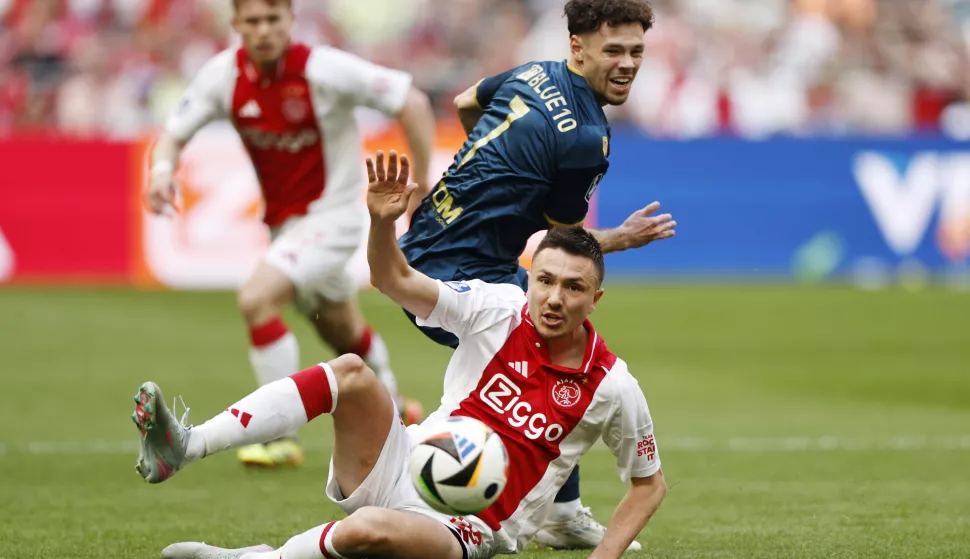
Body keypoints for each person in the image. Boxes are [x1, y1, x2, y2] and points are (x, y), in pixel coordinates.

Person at [132, 151, 667, 559]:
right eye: (545, 280)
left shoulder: (610, 383)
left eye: (573, 288)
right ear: (529, 279)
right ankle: (185, 445)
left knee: (368, 531)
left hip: (466, 526)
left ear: (594, 299)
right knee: (351, 373)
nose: (554, 297)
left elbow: (649, 485)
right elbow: (392, 279)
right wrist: (383, 223)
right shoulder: (498, 307)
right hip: (404, 460)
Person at [397, 0, 673, 548]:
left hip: (426, 237)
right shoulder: (585, 141)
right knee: (554, 353)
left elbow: (465, 103)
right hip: (456, 271)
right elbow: (564, 249)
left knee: (552, 352)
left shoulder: (532, 73)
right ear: (578, 46)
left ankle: (561, 511)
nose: (627, 63)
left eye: (636, 51)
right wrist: (624, 237)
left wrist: (492, 165)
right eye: (613, 50)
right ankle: (443, 472)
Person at [144, 0, 435, 468]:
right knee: (341, 328)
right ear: (236, 24)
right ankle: (399, 411)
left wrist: (421, 186)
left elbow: (412, 102)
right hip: (287, 225)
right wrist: (161, 171)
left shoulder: (323, 69)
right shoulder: (223, 76)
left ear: (289, 22)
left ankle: (279, 435)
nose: (263, 31)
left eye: (272, 20)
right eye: (253, 21)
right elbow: (175, 131)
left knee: (256, 299)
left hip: (335, 216)